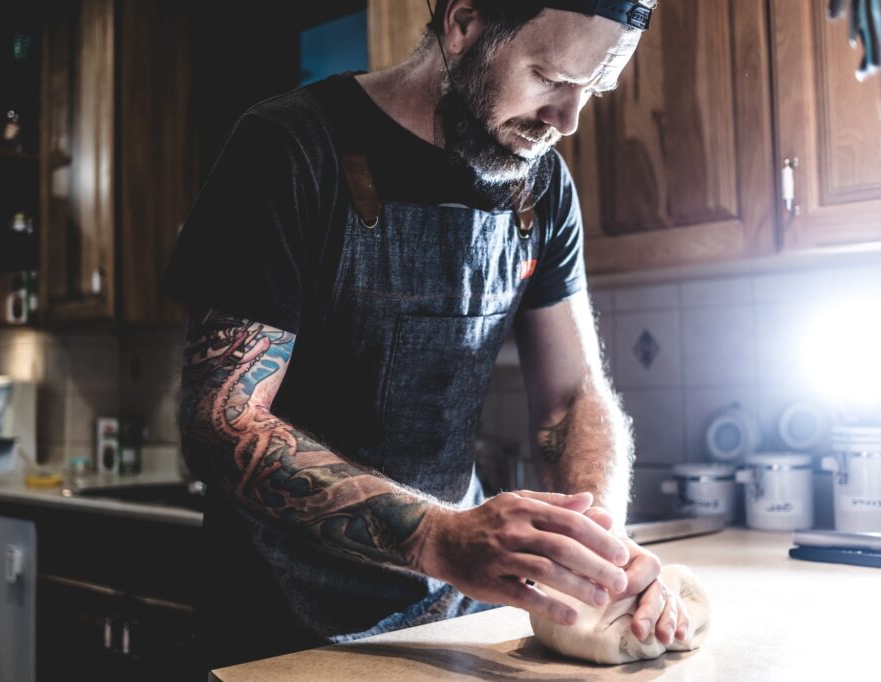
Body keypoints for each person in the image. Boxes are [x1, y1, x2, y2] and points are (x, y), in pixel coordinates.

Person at [162, 0, 688, 672]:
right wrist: (439, 537)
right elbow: (220, 422)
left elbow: (574, 397)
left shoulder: (543, 188)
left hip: (457, 623)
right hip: (283, 628)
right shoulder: (288, 147)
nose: (568, 121)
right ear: (463, 22)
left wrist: (599, 552)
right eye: (552, 78)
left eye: (593, 91)